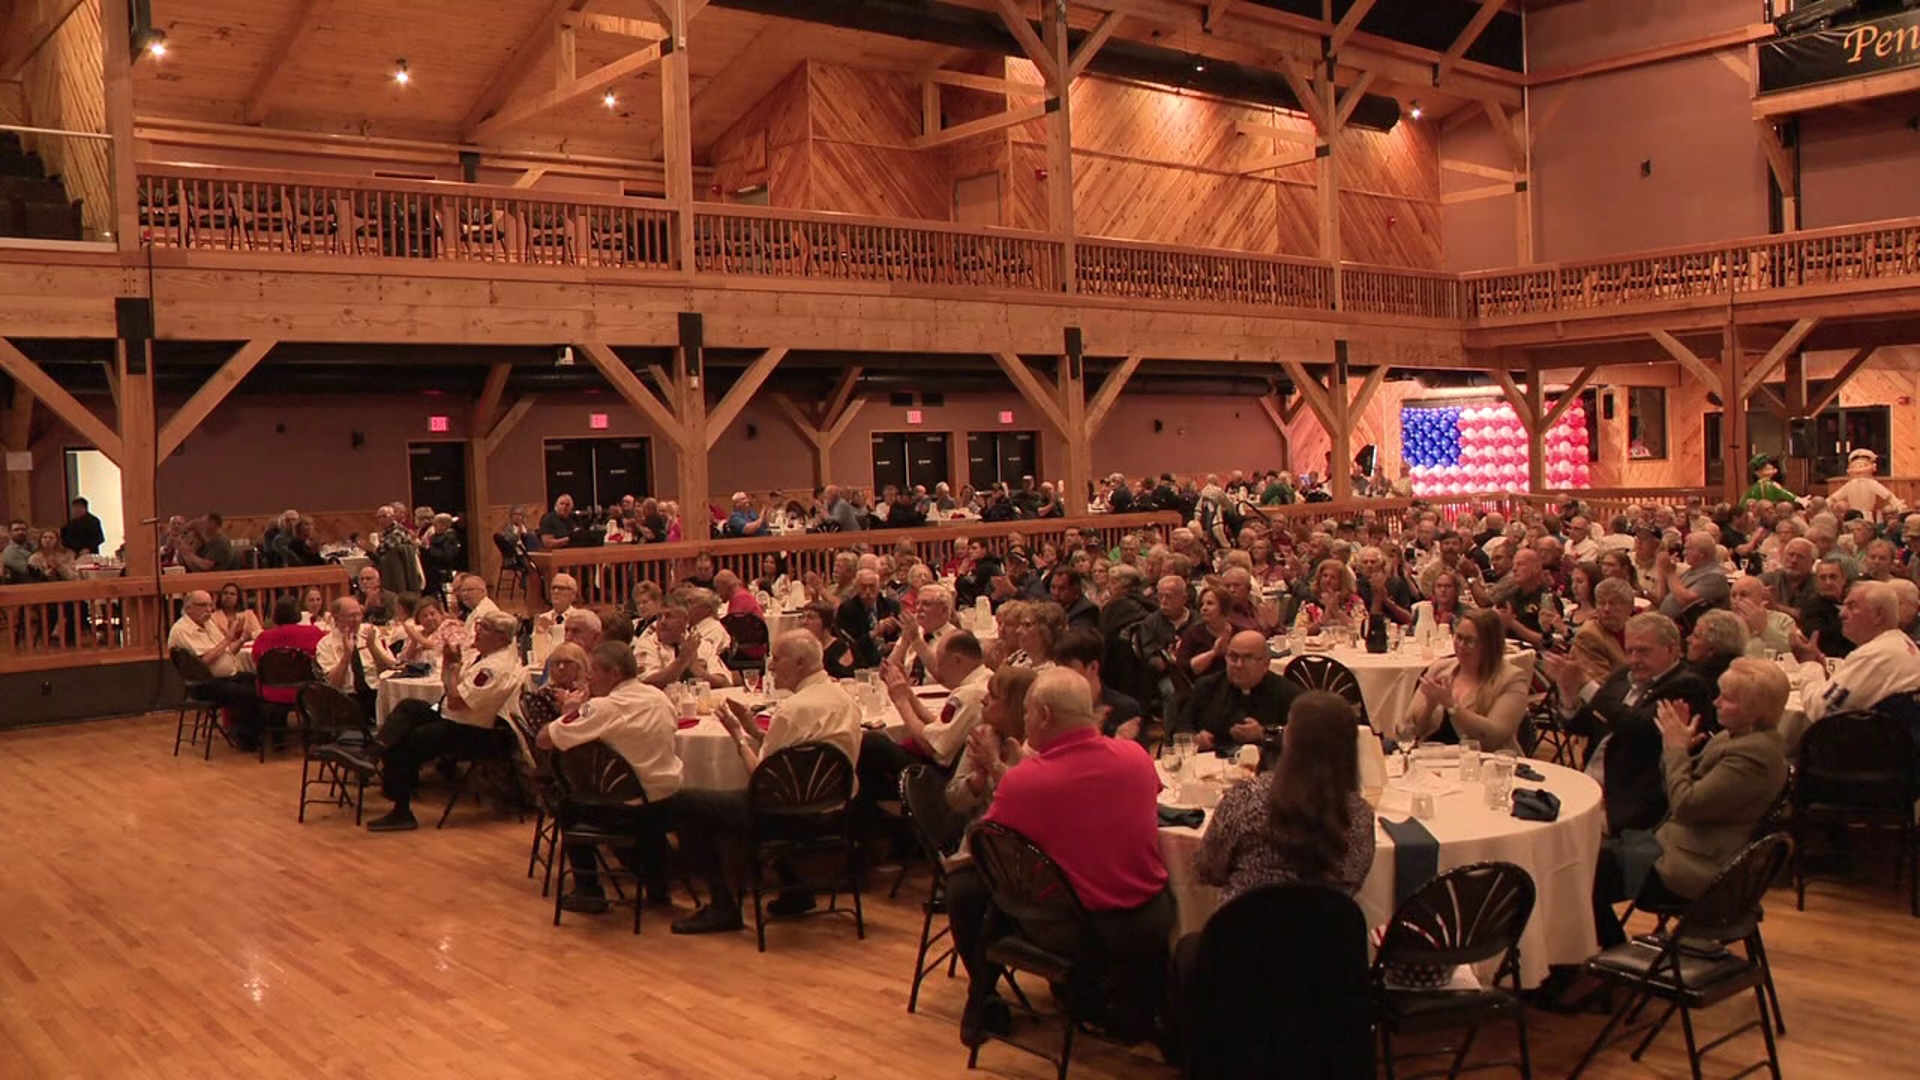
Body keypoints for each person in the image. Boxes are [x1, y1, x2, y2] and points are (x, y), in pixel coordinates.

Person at [948, 669, 1172, 1047]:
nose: (1025, 719)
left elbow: (988, 846)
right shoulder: (1136, 757)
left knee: (968, 888)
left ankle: (983, 997)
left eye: (1030, 712)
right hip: (1152, 914)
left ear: (1045, 717)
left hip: (1079, 928)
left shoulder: (1028, 781)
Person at [670, 631, 862, 935]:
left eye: (776, 659)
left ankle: (722, 905)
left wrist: (736, 736)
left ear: (799, 663)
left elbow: (761, 777)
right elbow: (794, 754)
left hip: (782, 815)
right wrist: (753, 730)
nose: (770, 667)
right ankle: (795, 889)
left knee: (686, 801)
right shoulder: (843, 698)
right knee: (780, 796)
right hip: (832, 809)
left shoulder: (794, 708)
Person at [1591, 659, 1791, 948]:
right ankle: (1603, 958)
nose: (1716, 702)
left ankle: (1604, 959)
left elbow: (1685, 803)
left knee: (1580, 872)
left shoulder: (1754, 757)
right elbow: (1675, 785)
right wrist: (1677, 750)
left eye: (1728, 699)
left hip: (1694, 868)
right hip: (1677, 844)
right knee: (1583, 859)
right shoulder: (1737, 737)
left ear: (1755, 711)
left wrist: (1676, 750)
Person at [536, 643, 683, 913]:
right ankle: (657, 885)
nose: (588, 677)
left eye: (593, 670)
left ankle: (588, 891)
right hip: (667, 804)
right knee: (633, 789)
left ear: (614, 673)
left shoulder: (605, 708)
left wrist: (570, 711)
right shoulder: (658, 697)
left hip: (626, 811)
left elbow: (544, 740)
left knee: (569, 804)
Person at [1546, 612, 1716, 835]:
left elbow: (1638, 729)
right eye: (1629, 651)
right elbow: (1583, 726)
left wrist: (1586, 686)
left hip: (1632, 801)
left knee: (1557, 832)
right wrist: (1569, 693)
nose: (1634, 659)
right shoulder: (1623, 677)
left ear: (1672, 649)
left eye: (1643, 651)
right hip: (1589, 785)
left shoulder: (1686, 686)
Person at [365, 610, 525, 832]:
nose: (477, 631)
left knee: (404, 744)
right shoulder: (482, 656)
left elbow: (457, 699)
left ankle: (402, 812)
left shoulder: (495, 668)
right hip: (448, 713)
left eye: (485, 627)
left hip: (469, 730)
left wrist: (451, 670)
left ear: (501, 637)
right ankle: (376, 749)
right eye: (479, 625)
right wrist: (452, 666)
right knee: (410, 706)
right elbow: (453, 690)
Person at [1401, 607, 1530, 754]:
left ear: (1489, 645)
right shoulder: (1440, 669)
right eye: (1458, 637)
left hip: (1483, 765)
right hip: (1432, 760)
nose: (1461, 646)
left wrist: (1452, 706)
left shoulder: (1511, 679)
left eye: (1469, 641)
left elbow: (1494, 736)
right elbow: (1412, 729)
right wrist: (1430, 706)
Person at [1790, 580, 1920, 724]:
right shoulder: (1902, 643)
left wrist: (1809, 664)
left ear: (1878, 615)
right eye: (1844, 606)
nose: (1842, 614)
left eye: (1852, 607)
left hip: (1869, 744)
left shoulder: (1874, 656)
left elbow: (1820, 710)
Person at [167, 589, 266, 749]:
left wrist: (241, 639)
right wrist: (227, 638)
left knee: (260, 684)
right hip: (204, 683)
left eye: (210, 605)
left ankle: (259, 735)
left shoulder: (208, 624)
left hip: (226, 676)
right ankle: (247, 739)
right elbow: (204, 660)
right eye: (202, 605)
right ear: (188, 607)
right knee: (247, 694)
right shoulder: (183, 629)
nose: (208, 610)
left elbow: (227, 651)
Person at [1177, 630, 1302, 752]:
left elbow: (1304, 738)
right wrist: (1196, 739)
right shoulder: (1206, 687)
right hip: (1211, 765)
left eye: (1247, 658)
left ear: (1266, 664)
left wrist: (1264, 734)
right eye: (1233, 657)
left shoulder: (1287, 692)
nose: (1238, 665)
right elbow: (1182, 727)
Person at [945, 666, 1039, 816]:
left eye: (993, 696)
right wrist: (977, 778)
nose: (983, 700)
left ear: (1016, 706)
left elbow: (1029, 807)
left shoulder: (1037, 746)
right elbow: (954, 800)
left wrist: (992, 762)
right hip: (981, 831)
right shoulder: (983, 735)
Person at [1052, 625, 1145, 744]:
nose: (1061, 675)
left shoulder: (1125, 709)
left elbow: (1138, 759)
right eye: (1058, 668)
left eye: (1069, 668)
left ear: (1093, 667)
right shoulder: (1056, 710)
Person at [316, 595, 399, 717]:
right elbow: (333, 685)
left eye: (358, 614)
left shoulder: (370, 632)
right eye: (351, 616)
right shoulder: (326, 644)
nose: (356, 620)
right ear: (336, 618)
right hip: (347, 697)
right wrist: (346, 656)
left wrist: (373, 648)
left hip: (376, 692)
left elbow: (389, 671)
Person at [250, 596, 326, 715]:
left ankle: (276, 729)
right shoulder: (314, 633)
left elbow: (257, 662)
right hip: (307, 691)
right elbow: (324, 658)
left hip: (272, 692)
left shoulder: (263, 637)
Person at [633, 602, 731, 688]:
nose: (662, 622)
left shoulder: (702, 645)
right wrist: (682, 660)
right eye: (659, 617)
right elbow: (647, 683)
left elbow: (725, 682)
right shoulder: (645, 645)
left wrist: (698, 672)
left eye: (669, 616)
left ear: (685, 620)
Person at [1568, 576, 1635, 684]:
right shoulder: (1588, 636)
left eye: (1613, 603)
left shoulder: (1636, 628)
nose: (1606, 609)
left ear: (1630, 607)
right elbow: (1604, 684)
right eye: (1601, 603)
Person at [1655, 531, 1731, 620]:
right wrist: (1662, 572)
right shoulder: (1691, 571)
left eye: (1689, 549)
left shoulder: (1715, 576)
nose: (1684, 553)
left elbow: (1686, 602)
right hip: (1665, 619)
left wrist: (1670, 573)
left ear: (1703, 554)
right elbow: (1662, 598)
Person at [1292, 559, 1367, 634]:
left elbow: (1363, 629)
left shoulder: (1354, 601)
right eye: (1325, 576)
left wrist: (1337, 611)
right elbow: (1298, 631)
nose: (1327, 580)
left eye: (1333, 577)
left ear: (1341, 581)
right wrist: (1324, 619)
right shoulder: (1310, 602)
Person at [1730, 575, 1796, 657]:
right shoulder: (1726, 621)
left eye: (1744, 595)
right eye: (1733, 596)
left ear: (1762, 597)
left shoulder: (1783, 620)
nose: (1737, 600)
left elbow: (1792, 652)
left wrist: (1764, 629)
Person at [1685, 610, 1748, 692]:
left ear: (1712, 649)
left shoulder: (1696, 684)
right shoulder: (1746, 672)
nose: (1688, 639)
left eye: (1696, 636)